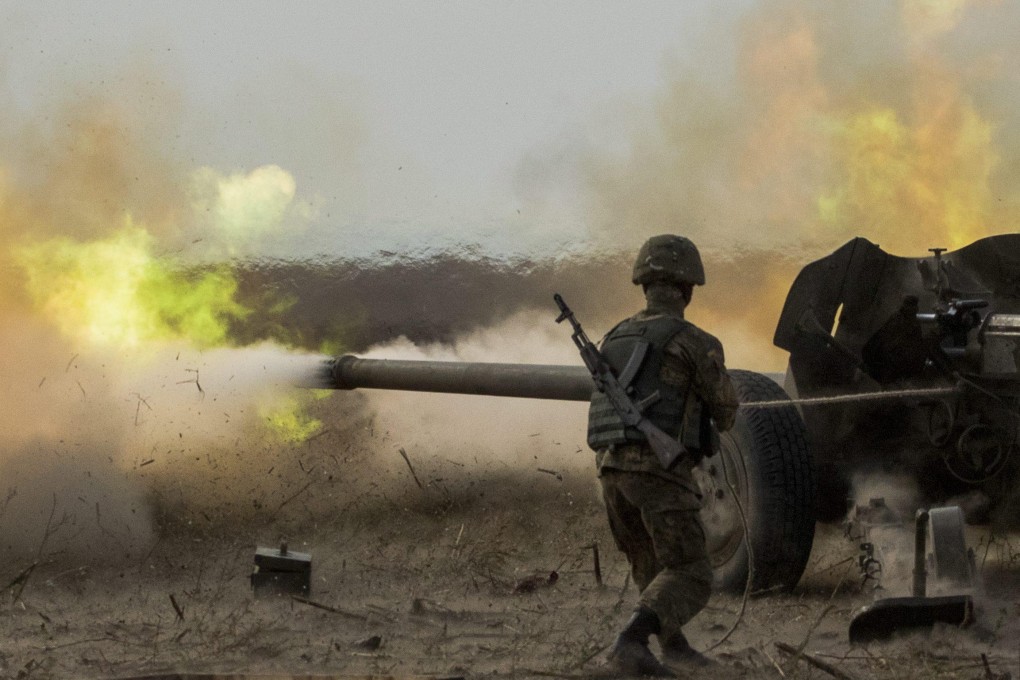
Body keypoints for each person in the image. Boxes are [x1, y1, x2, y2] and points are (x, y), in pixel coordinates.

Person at [589, 234, 739, 676]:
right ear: (688, 288)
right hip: (659, 473)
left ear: (644, 284)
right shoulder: (695, 341)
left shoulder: (612, 337)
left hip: (612, 473)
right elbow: (727, 413)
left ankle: (673, 648)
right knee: (691, 571)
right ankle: (630, 644)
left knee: (652, 566)